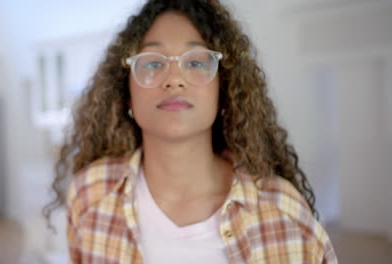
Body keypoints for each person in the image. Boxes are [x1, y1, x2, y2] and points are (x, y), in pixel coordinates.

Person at [43, 0, 338, 263]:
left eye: (196, 62)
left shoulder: (284, 214)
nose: (174, 79)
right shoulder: (90, 193)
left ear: (224, 91)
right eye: (153, 62)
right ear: (127, 95)